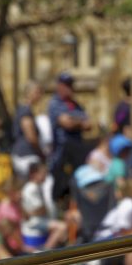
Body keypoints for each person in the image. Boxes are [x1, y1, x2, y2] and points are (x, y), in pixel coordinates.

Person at [48, 71, 93, 201]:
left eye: (70, 85)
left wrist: (74, 121)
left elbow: (89, 125)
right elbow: (66, 123)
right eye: (66, 85)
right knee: (61, 184)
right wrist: (79, 122)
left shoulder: (76, 105)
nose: (69, 88)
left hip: (77, 149)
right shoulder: (55, 103)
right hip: (62, 151)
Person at [10, 80, 46, 179]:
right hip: (26, 155)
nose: (40, 96)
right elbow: (31, 136)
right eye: (38, 92)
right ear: (29, 93)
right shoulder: (25, 111)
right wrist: (41, 153)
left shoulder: (24, 110)